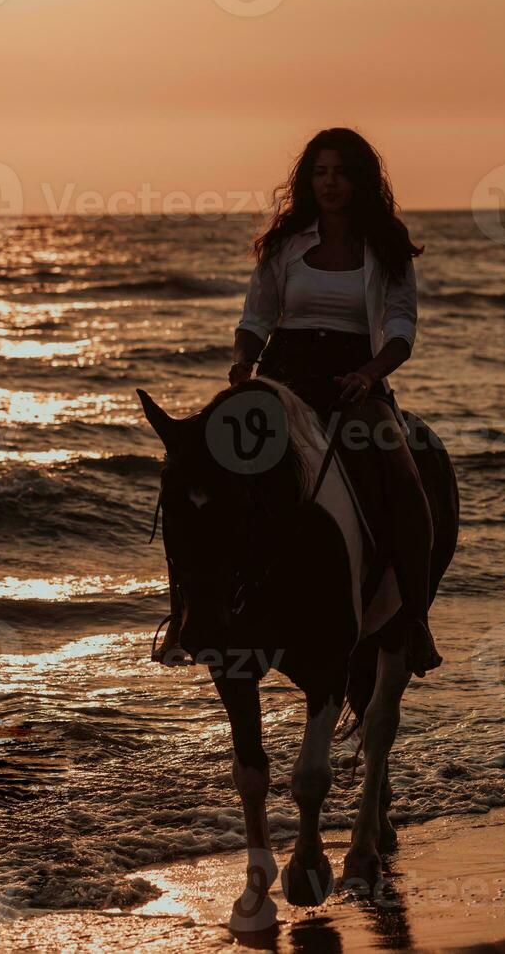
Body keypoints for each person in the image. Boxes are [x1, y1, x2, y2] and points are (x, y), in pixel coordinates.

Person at [156, 127, 440, 675]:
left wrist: (370, 373)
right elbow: (257, 317)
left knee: (401, 473)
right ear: (308, 180)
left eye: (341, 172)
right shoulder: (285, 243)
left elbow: (401, 327)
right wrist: (243, 360)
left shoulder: (386, 244)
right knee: (195, 465)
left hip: (353, 380)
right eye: (320, 172)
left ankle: (414, 623)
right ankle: (184, 618)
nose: (330, 183)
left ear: (360, 179)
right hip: (282, 376)